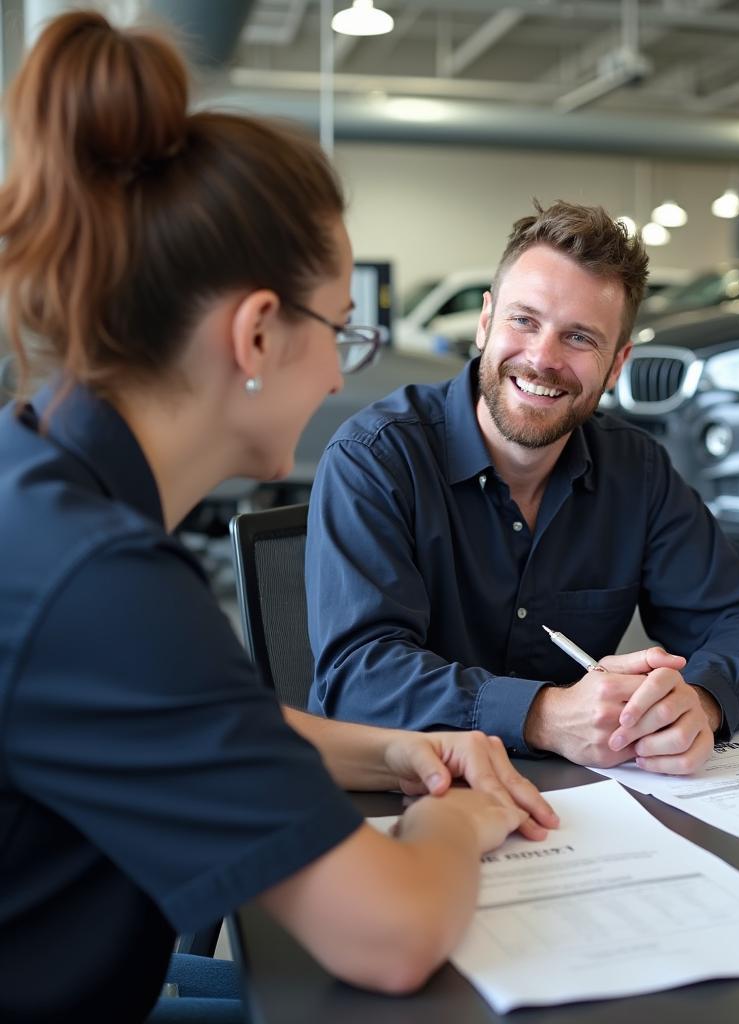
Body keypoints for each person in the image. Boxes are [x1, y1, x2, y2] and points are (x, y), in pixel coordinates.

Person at [0, 12, 558, 1023]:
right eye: (340, 327)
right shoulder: (99, 580)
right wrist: (459, 820)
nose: (344, 366)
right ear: (257, 334)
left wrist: (385, 750)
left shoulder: (43, 474)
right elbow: (389, 935)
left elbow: (195, 717)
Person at [306, 200, 739, 776]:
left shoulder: (635, 470)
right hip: (399, 799)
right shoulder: (375, 458)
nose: (542, 359)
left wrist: (702, 703)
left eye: (580, 338)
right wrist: (543, 714)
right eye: (524, 320)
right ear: (485, 322)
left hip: (578, 801)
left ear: (616, 366)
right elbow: (357, 675)